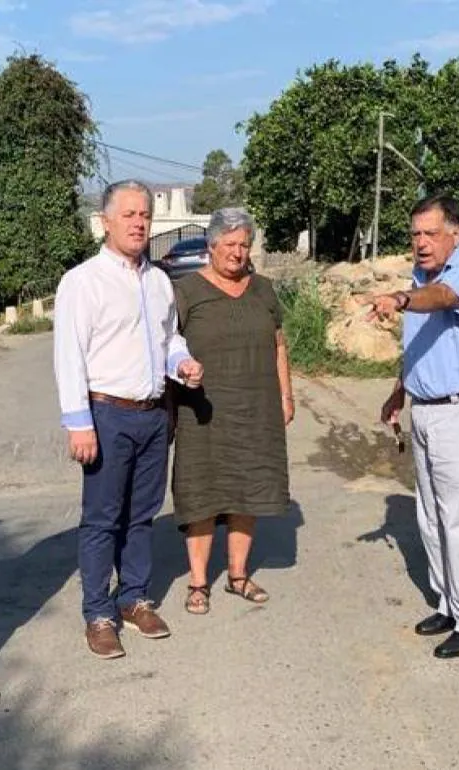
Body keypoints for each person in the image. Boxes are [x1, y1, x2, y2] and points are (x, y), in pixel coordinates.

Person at [53, 179, 204, 660]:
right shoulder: (83, 281)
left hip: (153, 413)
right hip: (106, 414)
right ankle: (98, 613)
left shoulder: (159, 281)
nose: (139, 223)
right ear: (106, 221)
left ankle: (134, 598)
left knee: (141, 515)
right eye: (130, 215)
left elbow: (168, 339)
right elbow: (68, 356)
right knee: (102, 519)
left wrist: (181, 363)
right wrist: (79, 423)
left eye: (145, 215)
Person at [365, 194, 459, 660]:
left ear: (456, 232)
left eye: (431, 234)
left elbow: (444, 300)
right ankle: (451, 604)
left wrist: (403, 299)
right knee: (431, 517)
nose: (421, 243)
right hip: (429, 409)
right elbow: (423, 343)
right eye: (415, 235)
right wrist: (399, 390)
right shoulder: (422, 276)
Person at [169, 208, 293, 615]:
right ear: (212, 247)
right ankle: (199, 582)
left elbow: (278, 344)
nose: (238, 253)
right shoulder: (187, 291)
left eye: (244, 244)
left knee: (247, 489)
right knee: (203, 492)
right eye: (230, 244)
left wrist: (286, 396)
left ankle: (238, 575)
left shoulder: (264, 289)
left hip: (257, 406)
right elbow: (170, 348)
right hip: (202, 410)